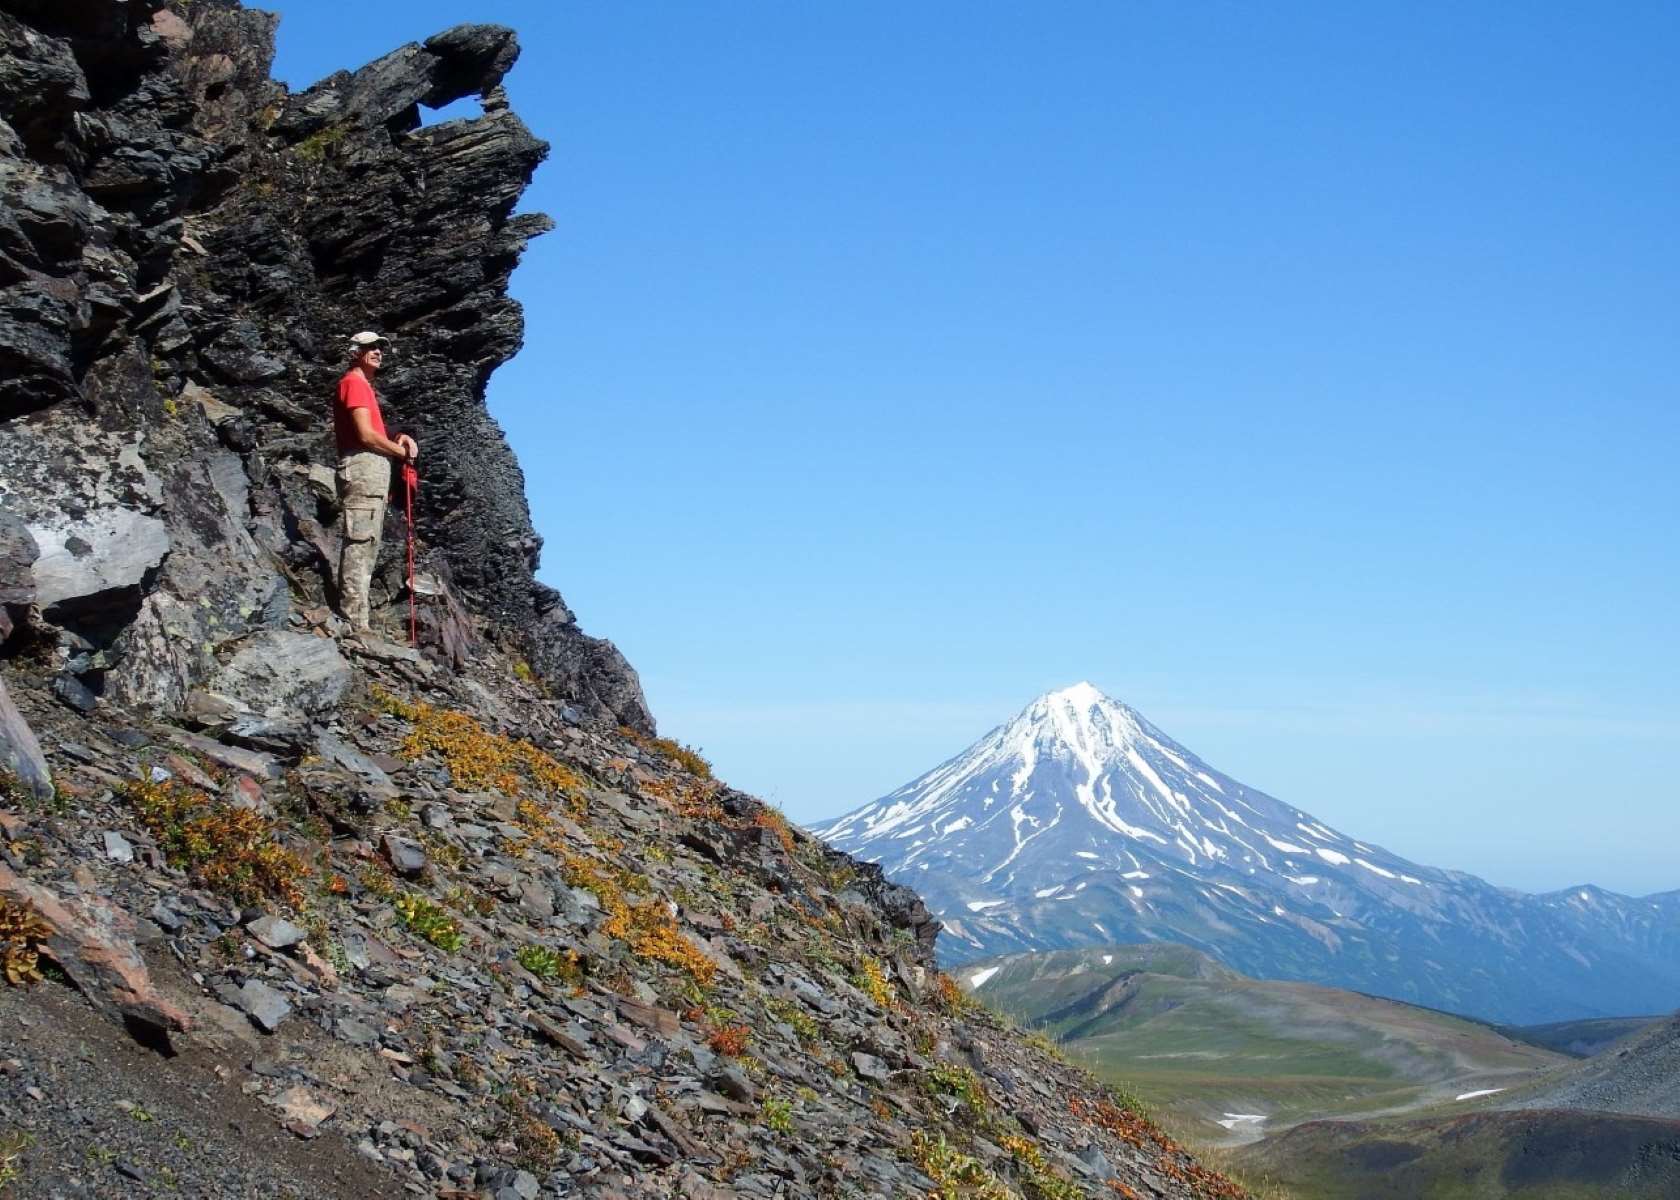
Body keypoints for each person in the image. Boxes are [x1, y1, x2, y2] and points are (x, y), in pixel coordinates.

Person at [332, 330, 418, 633]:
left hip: (370, 468)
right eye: (370, 347)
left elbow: (373, 430)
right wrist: (400, 453)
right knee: (361, 540)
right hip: (363, 466)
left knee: (367, 541)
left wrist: (398, 436)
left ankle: (358, 618)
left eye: (380, 348)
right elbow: (366, 435)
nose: (378, 352)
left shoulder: (362, 386)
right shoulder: (354, 384)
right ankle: (354, 622)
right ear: (355, 351)